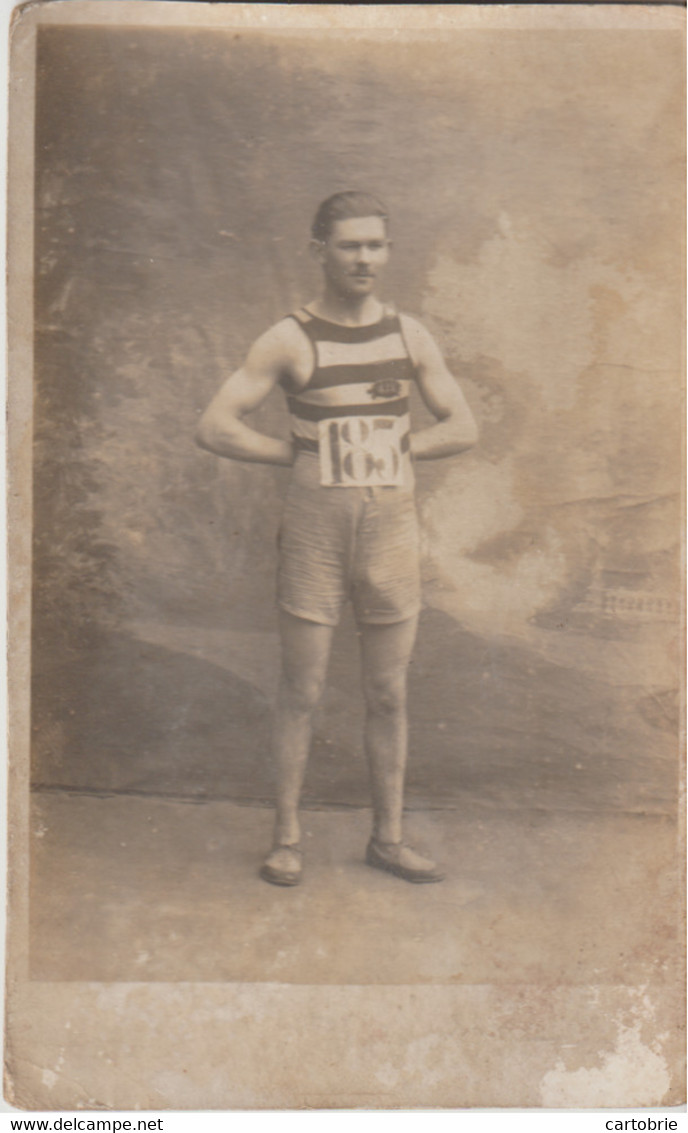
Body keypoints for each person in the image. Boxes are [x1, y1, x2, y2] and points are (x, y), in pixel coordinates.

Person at [196, 191, 478, 886]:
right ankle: (286, 838)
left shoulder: (409, 335)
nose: (364, 258)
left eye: (375, 245)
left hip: (390, 532)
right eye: (349, 245)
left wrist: (396, 444)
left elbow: (463, 425)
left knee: (388, 691)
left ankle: (387, 837)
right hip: (316, 533)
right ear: (319, 250)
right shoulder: (289, 337)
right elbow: (215, 425)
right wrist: (297, 453)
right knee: (303, 686)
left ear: (388, 250)